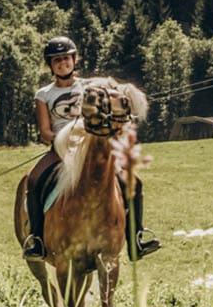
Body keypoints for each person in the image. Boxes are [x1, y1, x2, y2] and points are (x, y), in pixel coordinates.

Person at [21, 36, 159, 261]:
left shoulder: (89, 86)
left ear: (75, 60)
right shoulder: (43, 94)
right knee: (34, 180)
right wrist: (63, 140)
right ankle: (36, 239)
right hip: (60, 151)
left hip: (92, 146)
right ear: (50, 64)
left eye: (66, 58)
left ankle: (136, 238)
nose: (62, 63)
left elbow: (116, 91)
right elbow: (45, 132)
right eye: (56, 60)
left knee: (133, 182)